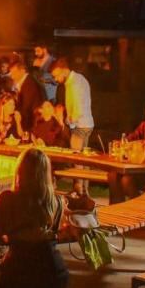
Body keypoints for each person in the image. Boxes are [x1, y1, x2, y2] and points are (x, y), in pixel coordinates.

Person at [0, 149, 69, 288]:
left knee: (13, 270)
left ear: (20, 171)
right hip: (55, 278)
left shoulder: (8, 198)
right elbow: (55, 234)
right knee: (35, 266)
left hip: (19, 277)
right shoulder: (57, 201)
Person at [51, 58, 94, 196]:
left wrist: (66, 121)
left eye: (56, 75)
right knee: (84, 162)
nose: (56, 79)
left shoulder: (74, 84)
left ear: (64, 69)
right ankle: (84, 193)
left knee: (77, 161)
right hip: (87, 124)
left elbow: (77, 111)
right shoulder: (78, 79)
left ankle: (79, 192)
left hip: (80, 126)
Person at [10, 59, 44, 134]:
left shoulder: (29, 84)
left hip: (30, 124)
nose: (12, 76)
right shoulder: (25, 83)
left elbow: (26, 108)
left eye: (14, 73)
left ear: (22, 71)